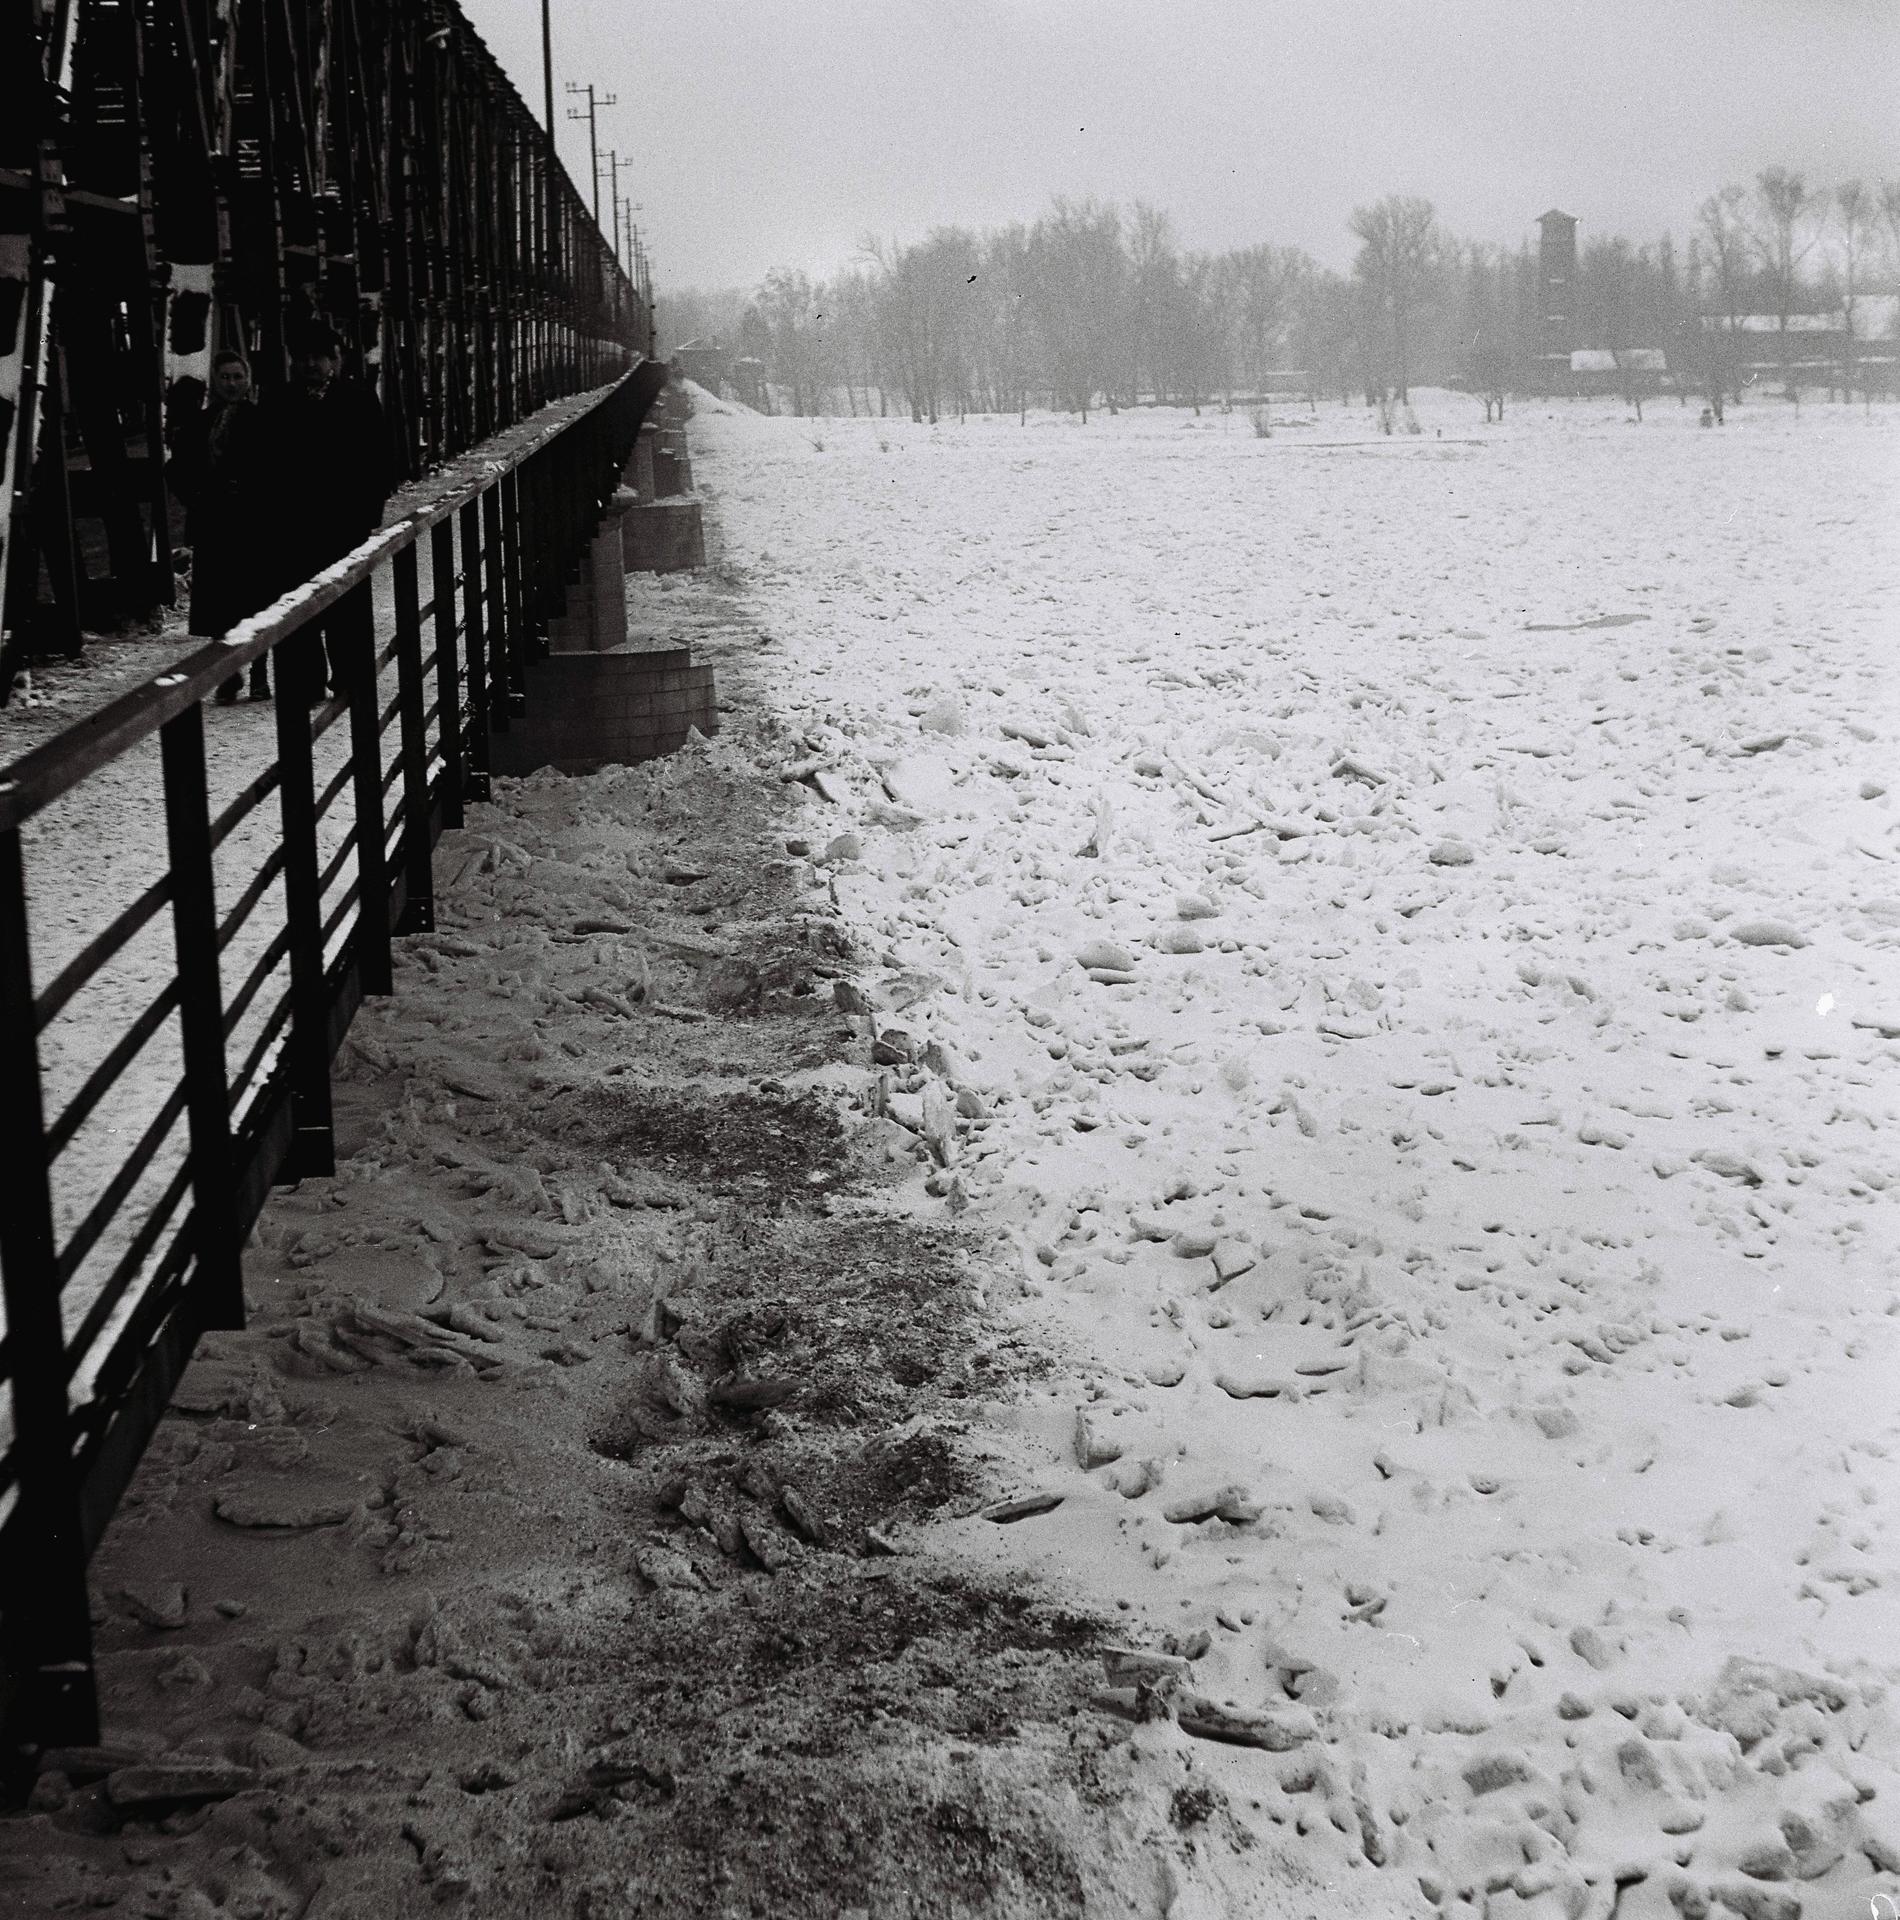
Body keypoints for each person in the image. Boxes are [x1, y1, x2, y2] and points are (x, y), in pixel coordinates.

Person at [261, 320, 393, 700]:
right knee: (296, 601)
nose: (311, 364)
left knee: (347, 602)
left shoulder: (359, 400)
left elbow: (379, 459)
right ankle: (305, 682)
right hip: (293, 524)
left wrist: (368, 514)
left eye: (319, 357)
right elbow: (264, 463)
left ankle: (350, 675)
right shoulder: (277, 402)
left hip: (343, 523)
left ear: (336, 360)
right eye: (303, 357)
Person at [166, 350, 275, 701]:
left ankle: (258, 672)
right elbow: (176, 469)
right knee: (219, 601)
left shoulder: (262, 421)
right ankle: (228, 674)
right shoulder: (200, 423)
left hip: (253, 524)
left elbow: (278, 470)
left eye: (238, 377)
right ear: (214, 380)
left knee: (255, 599)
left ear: (248, 380)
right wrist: (197, 496)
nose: (232, 384)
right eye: (225, 377)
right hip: (213, 523)